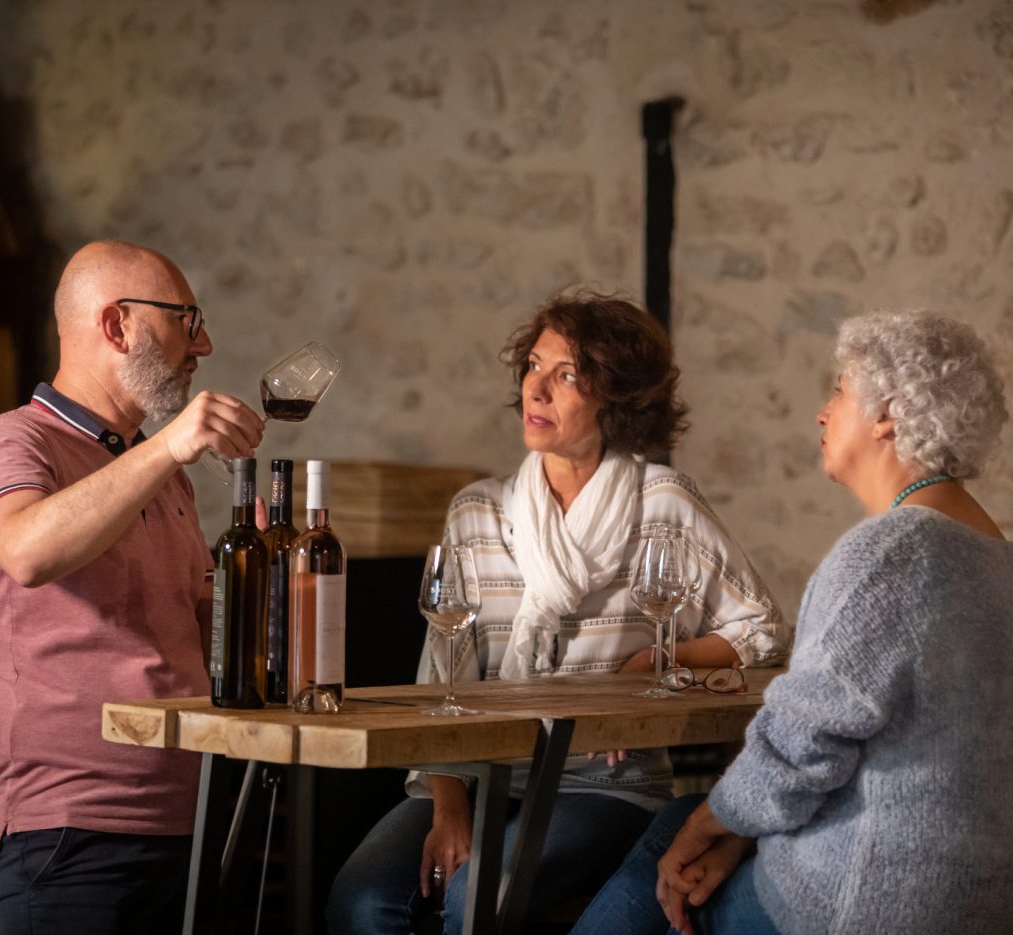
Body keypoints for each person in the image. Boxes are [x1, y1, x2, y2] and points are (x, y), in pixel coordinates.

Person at [326, 291, 792, 935]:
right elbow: (441, 676)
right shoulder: (478, 512)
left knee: (471, 903)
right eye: (534, 366)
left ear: (617, 398)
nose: (536, 389)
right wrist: (449, 805)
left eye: (568, 375)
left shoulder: (663, 505)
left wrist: (658, 659)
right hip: (476, 772)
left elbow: (762, 629)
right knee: (360, 903)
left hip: (605, 786)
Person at [569, 309, 1012, 935]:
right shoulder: (997, 559)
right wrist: (734, 830)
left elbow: (800, 749)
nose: (822, 413)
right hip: (985, 898)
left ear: (887, 414)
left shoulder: (888, 552)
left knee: (679, 841)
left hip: (871, 902)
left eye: (838, 389)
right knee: (709, 826)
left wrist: (709, 826)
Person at [0, 240, 266, 934]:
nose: (204, 343)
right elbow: (27, 550)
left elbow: (203, 628)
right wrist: (169, 445)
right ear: (117, 324)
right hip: (73, 839)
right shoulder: (13, 443)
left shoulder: (162, 474)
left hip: (195, 825)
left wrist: (266, 563)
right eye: (187, 319)